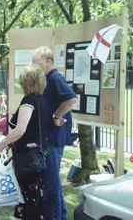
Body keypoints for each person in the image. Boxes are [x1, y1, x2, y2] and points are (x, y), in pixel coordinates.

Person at [0, 65, 49, 219]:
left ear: (26, 82)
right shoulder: (42, 101)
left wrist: (2, 143)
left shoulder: (29, 100)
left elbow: (20, 129)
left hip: (27, 157)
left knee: (27, 199)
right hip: (39, 154)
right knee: (35, 198)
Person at [32, 46, 76, 220]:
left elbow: (71, 99)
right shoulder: (45, 79)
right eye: (34, 63)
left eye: (38, 63)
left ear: (49, 62)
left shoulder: (55, 77)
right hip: (49, 137)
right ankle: (61, 216)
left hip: (53, 138)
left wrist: (56, 115)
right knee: (53, 182)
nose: (35, 66)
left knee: (51, 184)